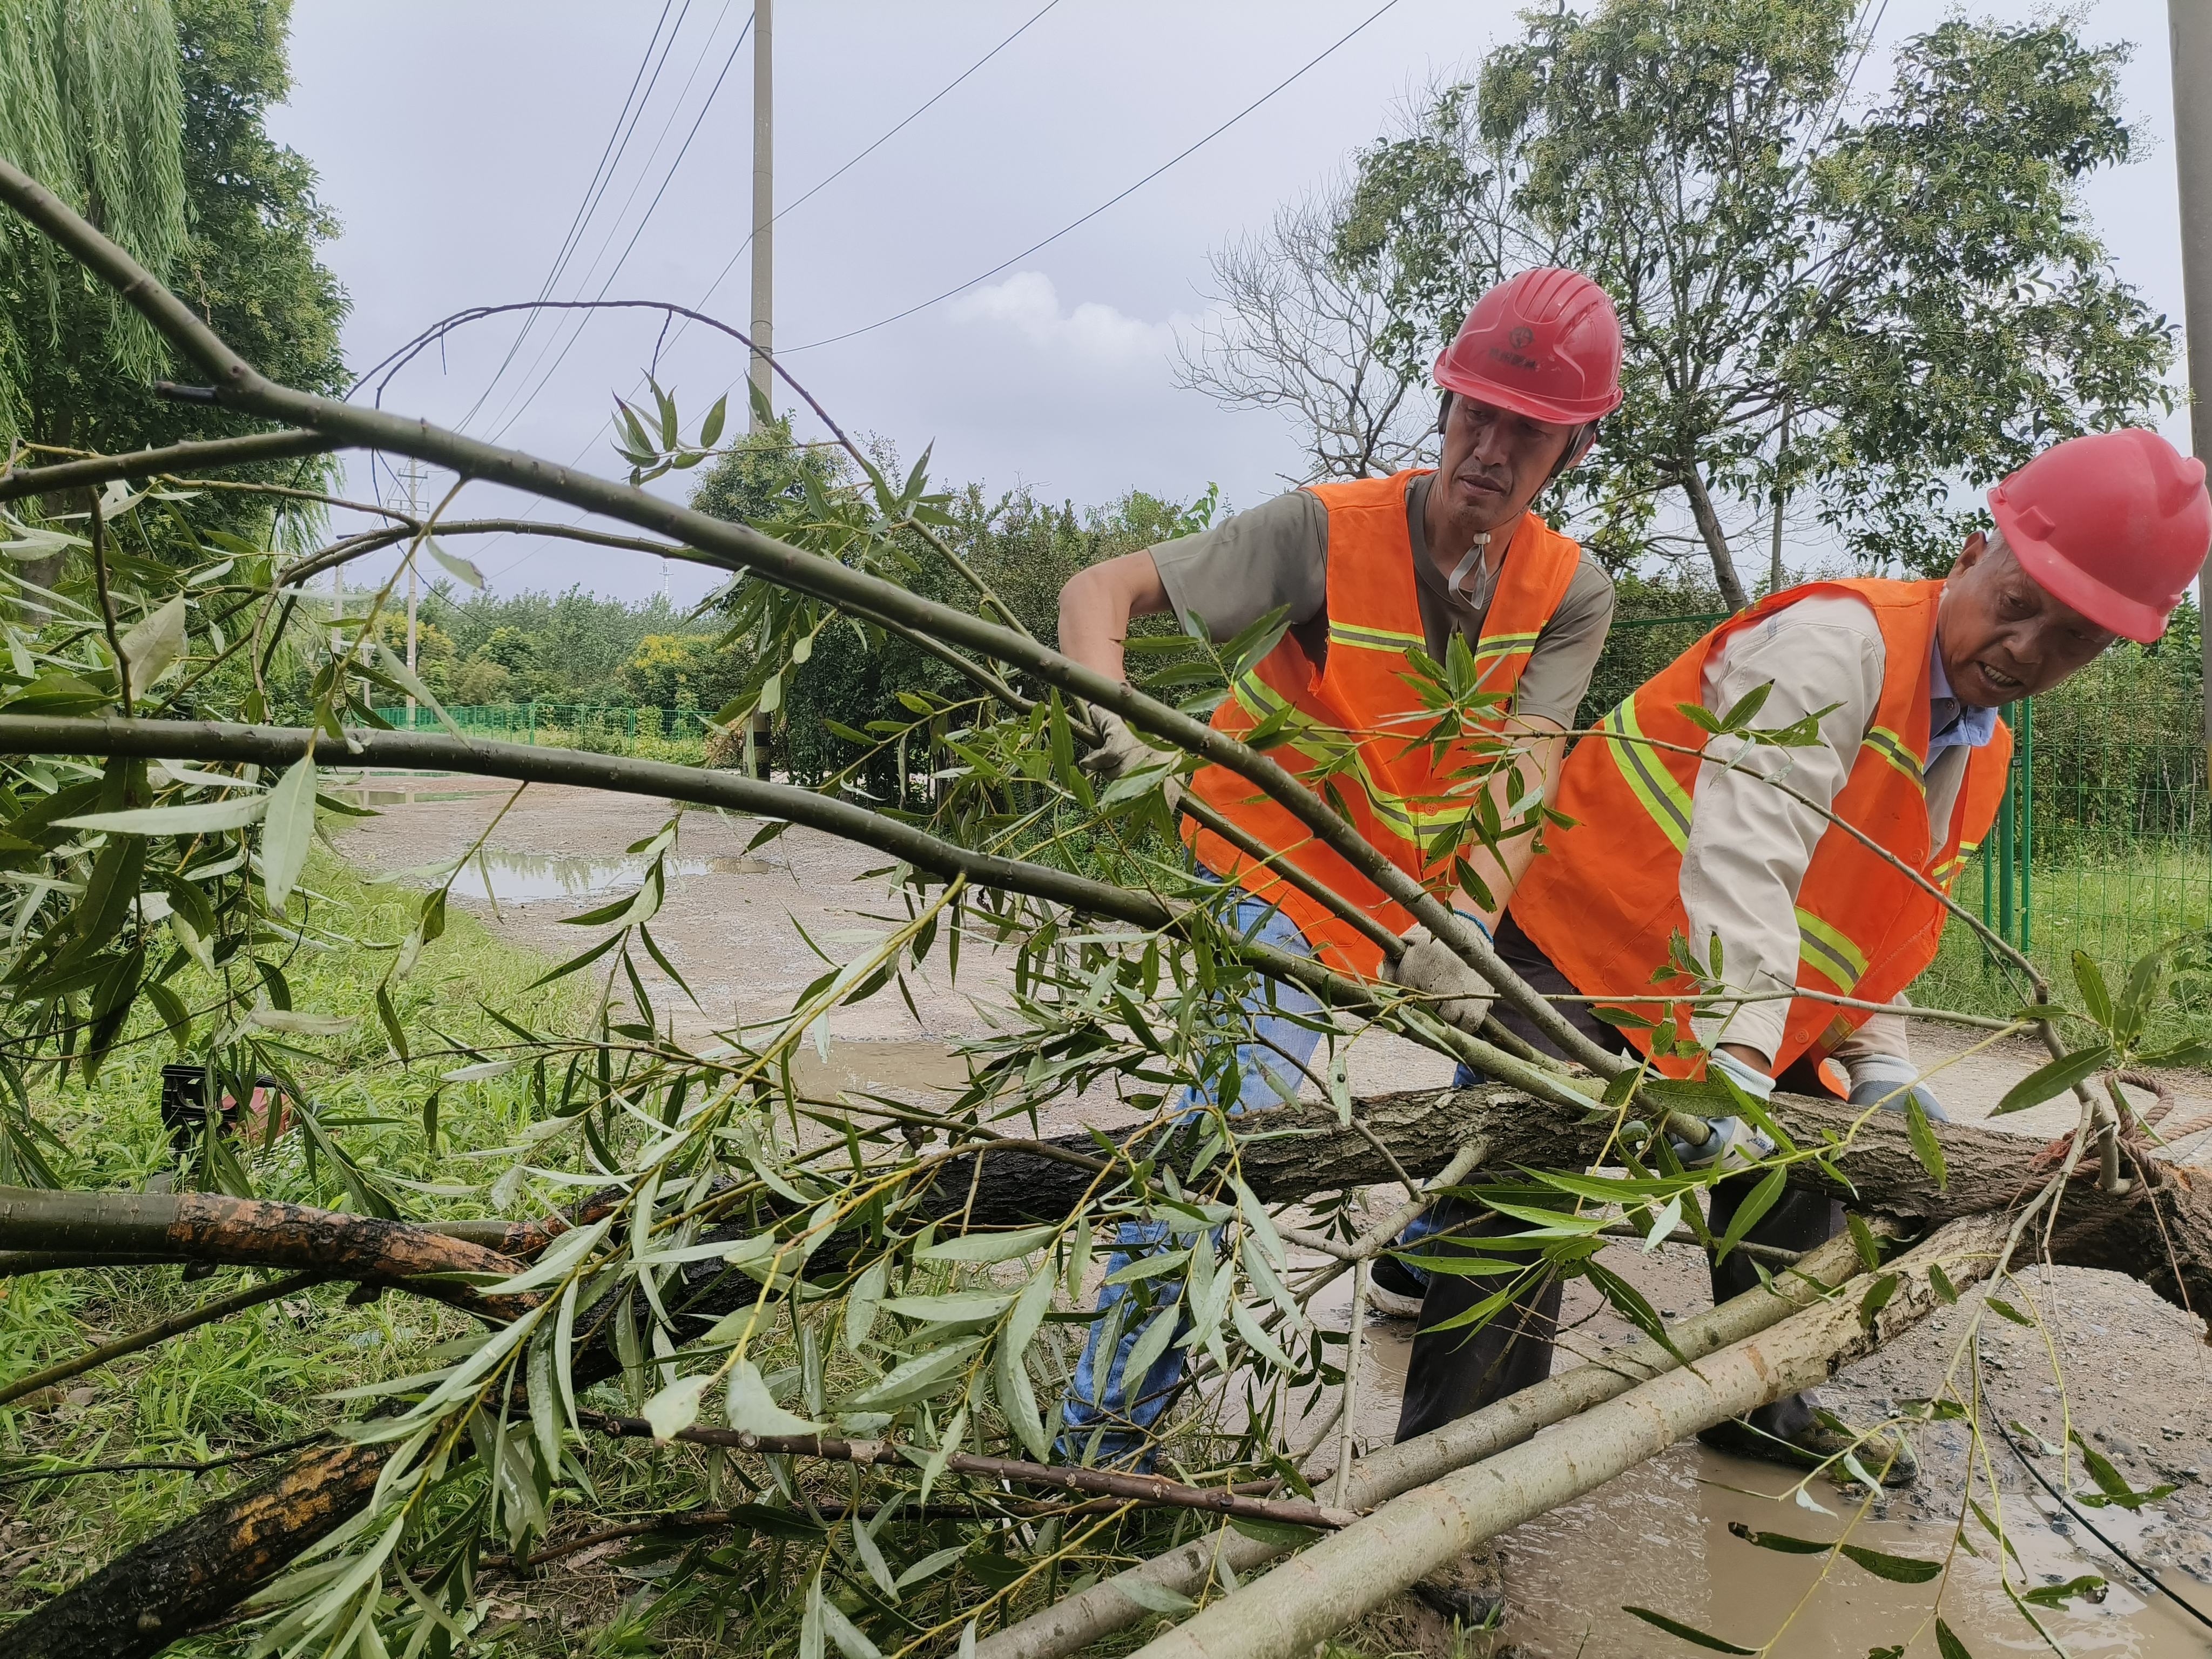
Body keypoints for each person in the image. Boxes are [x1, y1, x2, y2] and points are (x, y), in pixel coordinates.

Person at [1418, 426, 2212, 1482]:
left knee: (1801, 1171)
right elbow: (1749, 849)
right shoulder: (1834, 647)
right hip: (1583, 946)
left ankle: (1760, 1409)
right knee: (1522, 1200)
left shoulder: (1980, 748)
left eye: (2066, 640)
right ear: (1975, 552)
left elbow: (1876, 919)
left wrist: (1875, 1061)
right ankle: (1444, 1485)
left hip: (1746, 997)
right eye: (2017, 605)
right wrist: (1739, 1065)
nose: (2025, 650)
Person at [1051, 267, 1626, 1468]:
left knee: (1530, 1066)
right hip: (1269, 873)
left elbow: (1521, 773)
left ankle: (1417, 1249)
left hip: (1404, 897)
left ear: (1571, 447)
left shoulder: (1570, 593)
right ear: (1443, 402)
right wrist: (1100, 714)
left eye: (1526, 431)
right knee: (1233, 1137)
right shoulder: (1330, 528)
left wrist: (1461, 937)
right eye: (1477, 413)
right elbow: (1099, 593)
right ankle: (1097, 1444)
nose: (1491, 448)